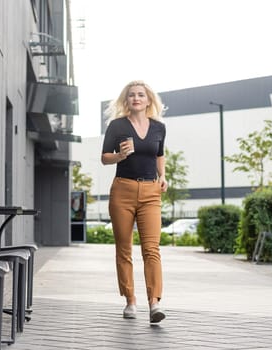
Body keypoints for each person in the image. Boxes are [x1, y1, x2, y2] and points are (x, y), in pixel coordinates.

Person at [101, 80, 168, 323]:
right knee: (124, 248)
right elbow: (104, 158)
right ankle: (130, 300)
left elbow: (159, 155)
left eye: (141, 95)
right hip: (123, 190)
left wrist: (163, 176)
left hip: (151, 192)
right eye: (131, 95)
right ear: (126, 100)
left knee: (152, 249)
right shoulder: (117, 126)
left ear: (149, 100)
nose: (136, 98)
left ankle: (154, 303)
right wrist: (119, 155)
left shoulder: (159, 128)